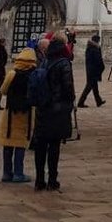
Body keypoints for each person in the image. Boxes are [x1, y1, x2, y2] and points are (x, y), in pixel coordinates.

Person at [32, 33, 75, 191]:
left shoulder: (44, 61)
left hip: (43, 108)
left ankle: (39, 179)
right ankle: (52, 179)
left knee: (41, 145)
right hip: (57, 109)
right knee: (54, 146)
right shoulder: (64, 63)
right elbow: (68, 87)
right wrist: (70, 103)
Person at [0, 46, 36, 183]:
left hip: (10, 112)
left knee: (8, 142)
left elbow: (3, 90)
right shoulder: (34, 73)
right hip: (26, 112)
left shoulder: (12, 73)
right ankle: (18, 172)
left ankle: (7, 172)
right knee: (20, 143)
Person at [77, 34, 105, 108]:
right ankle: (81, 102)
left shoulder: (90, 48)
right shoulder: (95, 49)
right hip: (93, 70)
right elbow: (98, 60)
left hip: (90, 70)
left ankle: (98, 101)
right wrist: (101, 67)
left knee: (95, 87)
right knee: (89, 87)